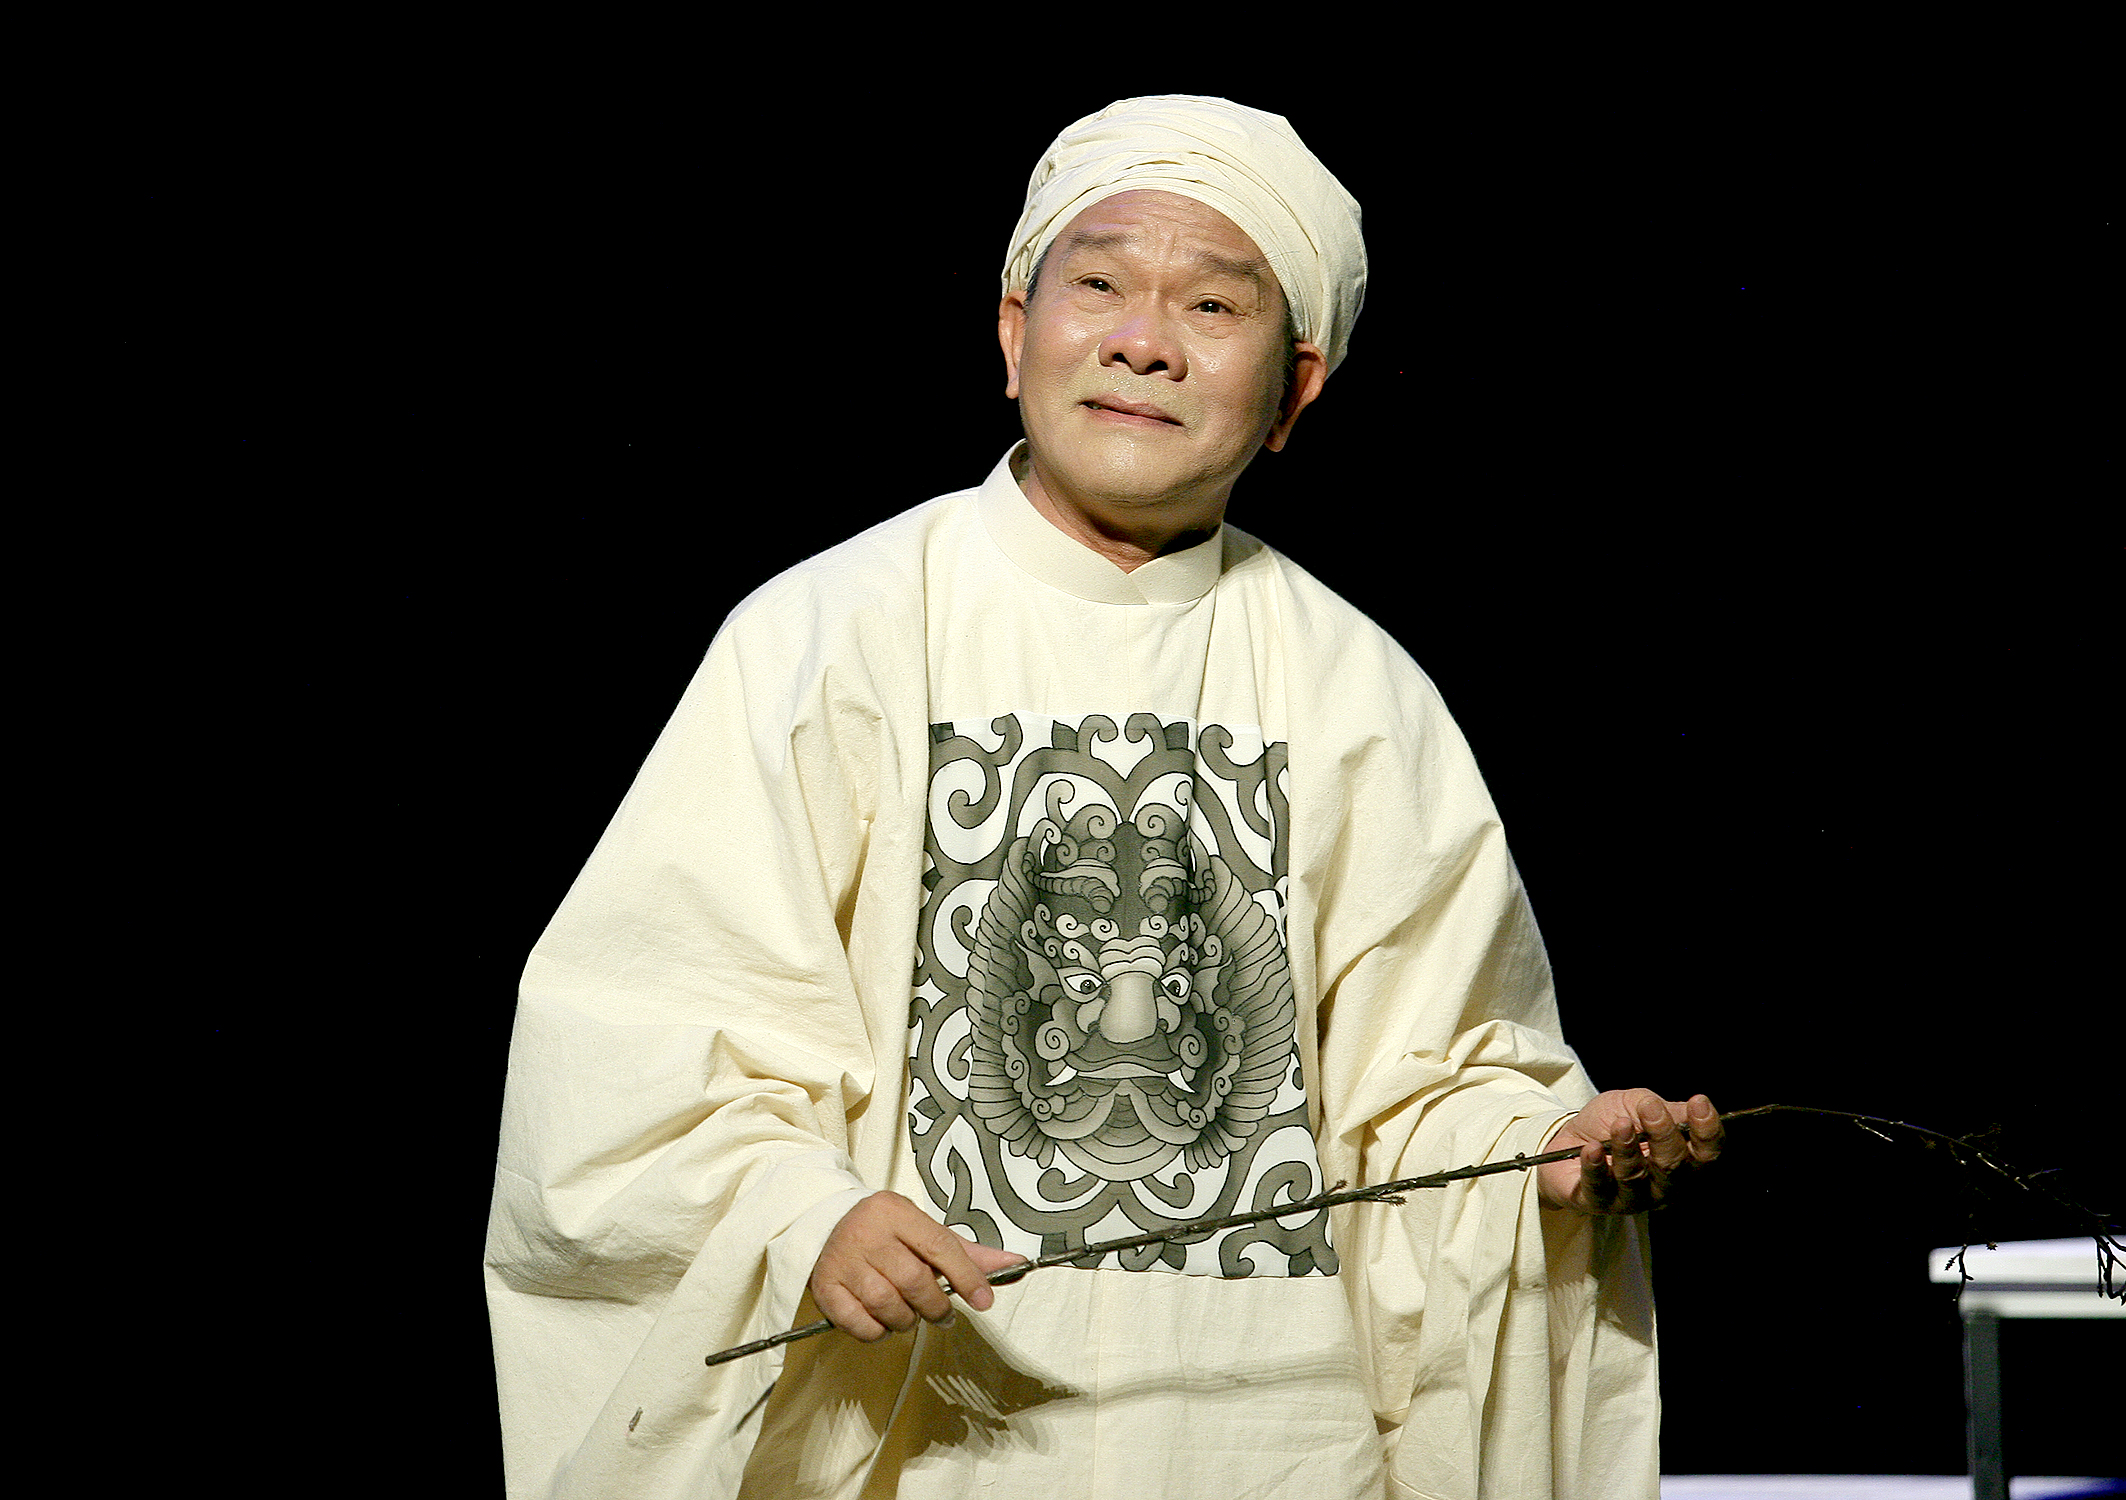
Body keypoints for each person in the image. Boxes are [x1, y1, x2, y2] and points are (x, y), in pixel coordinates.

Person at [485, 95, 1723, 1500]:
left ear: (1295, 392)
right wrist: (803, 1214)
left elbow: (1425, 1083)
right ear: (1014, 333)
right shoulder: (827, 637)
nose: (1144, 341)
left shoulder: (1358, 691)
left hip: (1269, 1446)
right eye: (1099, 285)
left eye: (1212, 304)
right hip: (920, 1442)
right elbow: (646, 1041)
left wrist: (1544, 1156)